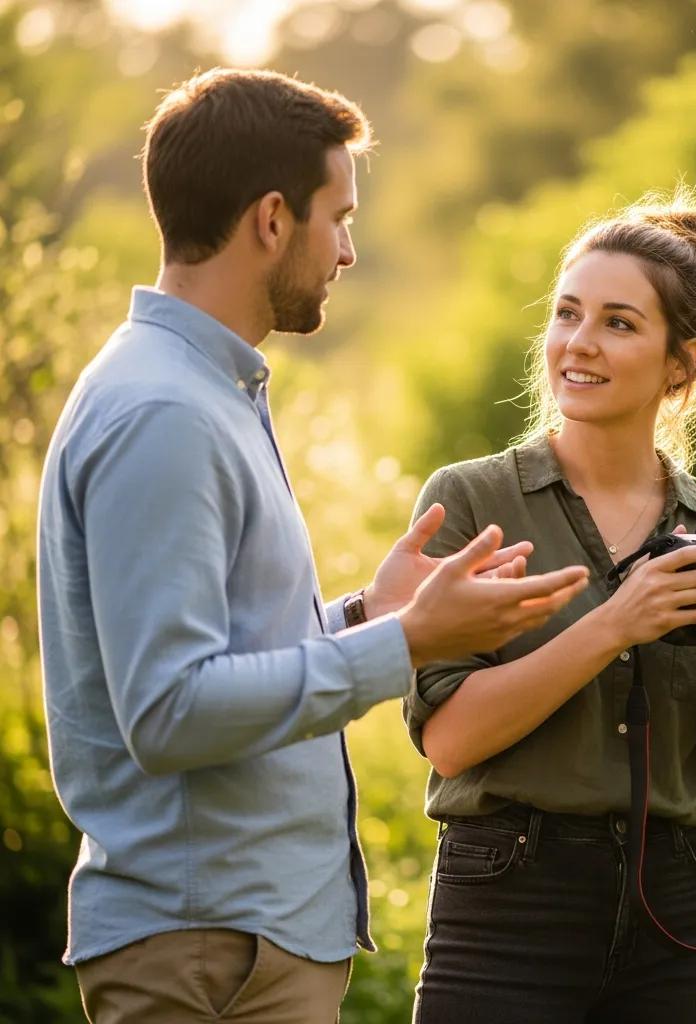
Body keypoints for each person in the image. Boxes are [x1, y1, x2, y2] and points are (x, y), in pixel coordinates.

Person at [36, 68, 589, 1024]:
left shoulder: (205, 392)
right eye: (339, 217)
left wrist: (374, 615)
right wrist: (406, 645)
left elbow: (217, 661)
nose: (349, 251)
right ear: (270, 220)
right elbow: (168, 711)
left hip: (235, 944)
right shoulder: (164, 410)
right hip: (207, 950)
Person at [404, 190, 696, 1023]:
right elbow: (450, 740)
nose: (578, 344)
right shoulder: (472, 502)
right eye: (567, 313)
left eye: (619, 323)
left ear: (681, 362)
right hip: (512, 897)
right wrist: (616, 622)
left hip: (690, 905)